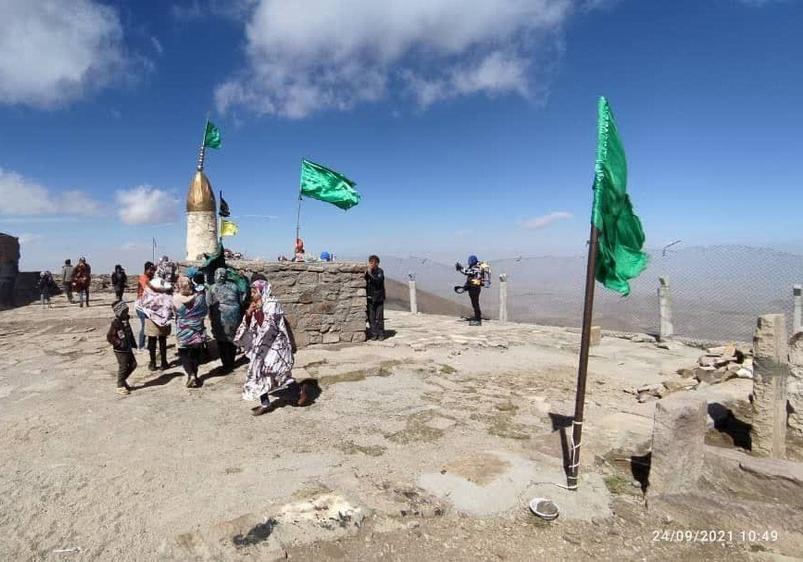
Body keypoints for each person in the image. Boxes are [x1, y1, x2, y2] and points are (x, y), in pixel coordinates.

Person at [235, 279, 307, 416]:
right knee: (258, 373)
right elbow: (251, 325)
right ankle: (265, 403)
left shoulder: (273, 304)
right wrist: (249, 314)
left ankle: (299, 390)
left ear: (263, 291)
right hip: (260, 346)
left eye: (254, 291)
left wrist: (259, 312)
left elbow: (270, 326)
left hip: (275, 345)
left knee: (278, 373)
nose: (252, 294)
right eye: (251, 291)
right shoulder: (255, 304)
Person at [206, 267, 245, 372]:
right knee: (232, 339)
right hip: (234, 317)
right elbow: (240, 301)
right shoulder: (234, 286)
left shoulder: (212, 288)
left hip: (220, 318)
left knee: (221, 341)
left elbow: (209, 304)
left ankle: (226, 364)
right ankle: (231, 362)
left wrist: (211, 317)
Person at [173, 276, 207, 388]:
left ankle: (190, 374)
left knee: (184, 354)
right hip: (197, 329)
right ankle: (195, 375)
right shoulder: (199, 297)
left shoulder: (176, 298)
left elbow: (175, 313)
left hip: (183, 330)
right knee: (195, 353)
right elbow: (204, 311)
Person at [140, 270, 173, 371]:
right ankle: (164, 362)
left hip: (151, 318)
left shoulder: (148, 289)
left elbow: (143, 302)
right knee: (163, 340)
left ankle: (153, 363)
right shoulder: (167, 289)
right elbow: (170, 303)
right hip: (163, 318)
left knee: (152, 341)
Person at [106, 300, 137, 395]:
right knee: (123, 366)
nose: (126, 313)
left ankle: (122, 380)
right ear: (119, 313)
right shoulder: (116, 323)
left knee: (133, 364)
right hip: (120, 349)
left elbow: (129, 332)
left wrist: (133, 343)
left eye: (127, 311)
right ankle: (120, 386)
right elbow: (110, 337)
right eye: (124, 312)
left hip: (127, 346)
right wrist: (119, 343)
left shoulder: (126, 320)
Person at [134, 261, 155, 351]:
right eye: (151, 270)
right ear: (146, 269)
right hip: (141, 306)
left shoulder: (151, 278)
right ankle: (141, 346)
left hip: (148, 305)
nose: (152, 271)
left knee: (150, 325)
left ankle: (150, 346)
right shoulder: (143, 278)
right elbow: (148, 289)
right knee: (145, 325)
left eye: (153, 270)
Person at [457, 255, 483, 326]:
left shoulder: (476, 268)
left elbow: (468, 272)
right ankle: (477, 317)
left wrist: (460, 268)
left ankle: (477, 319)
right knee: (474, 303)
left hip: (475, 287)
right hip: (472, 287)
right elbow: (469, 276)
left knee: (475, 303)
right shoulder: (474, 267)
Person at [365, 255, 385, 340]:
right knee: (371, 318)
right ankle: (374, 334)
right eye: (371, 262)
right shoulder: (367, 272)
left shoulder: (380, 271)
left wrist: (369, 273)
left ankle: (381, 334)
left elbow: (377, 281)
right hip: (370, 298)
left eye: (374, 262)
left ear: (377, 263)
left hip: (379, 298)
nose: (372, 264)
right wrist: (367, 273)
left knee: (379, 317)